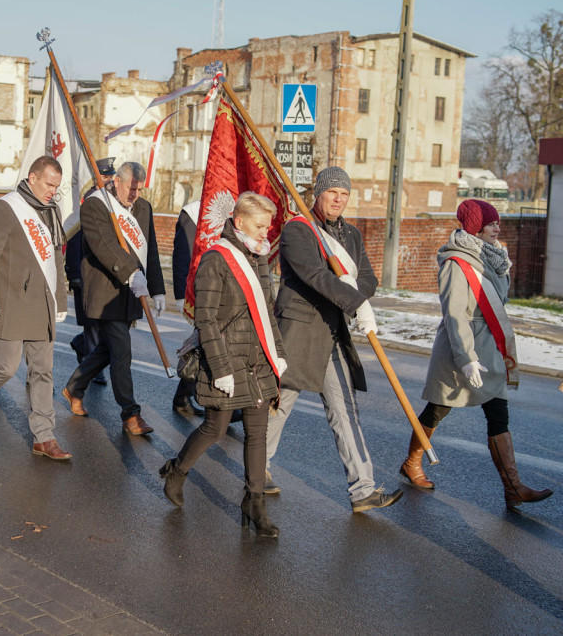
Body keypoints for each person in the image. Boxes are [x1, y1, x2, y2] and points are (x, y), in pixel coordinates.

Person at [265, 167, 402, 513]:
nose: (339, 199)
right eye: (332, 192)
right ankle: (257, 467)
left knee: (345, 411)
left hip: (334, 332)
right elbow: (314, 275)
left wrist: (356, 290)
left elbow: (368, 278)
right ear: (318, 194)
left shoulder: (351, 235)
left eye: (344, 194)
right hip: (301, 332)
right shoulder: (298, 230)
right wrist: (353, 299)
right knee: (281, 404)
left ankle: (363, 490)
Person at [399, 199, 553, 508]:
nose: (497, 228)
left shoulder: (492, 257)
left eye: (497, 223)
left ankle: (513, 487)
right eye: (491, 223)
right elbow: (455, 314)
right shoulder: (456, 262)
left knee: (498, 414)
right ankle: (412, 462)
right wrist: (467, 358)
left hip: (489, 347)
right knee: (438, 409)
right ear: (475, 227)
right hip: (459, 350)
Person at [160, 192, 286, 537]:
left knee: (257, 433)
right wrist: (220, 369)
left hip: (258, 360)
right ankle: (177, 471)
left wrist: (278, 353)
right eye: (260, 226)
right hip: (227, 360)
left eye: (268, 227)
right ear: (240, 222)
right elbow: (206, 320)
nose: (265, 233)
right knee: (215, 428)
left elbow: (268, 310)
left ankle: (254, 504)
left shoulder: (259, 257)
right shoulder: (216, 259)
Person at [0, 155, 71, 459]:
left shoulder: (51, 210)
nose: (53, 191)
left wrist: (60, 298)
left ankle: (44, 436)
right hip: (11, 302)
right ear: (32, 178)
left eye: (57, 186)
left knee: (42, 370)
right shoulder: (6, 207)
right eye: (49, 184)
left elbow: (55, 257)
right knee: (5, 368)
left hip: (42, 304)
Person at [60, 161, 165, 436]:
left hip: (132, 291)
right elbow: (104, 246)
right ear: (117, 181)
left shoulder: (143, 207)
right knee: (121, 350)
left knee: (107, 349)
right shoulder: (96, 205)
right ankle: (130, 414)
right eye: (131, 188)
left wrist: (158, 289)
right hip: (105, 291)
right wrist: (131, 273)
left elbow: (150, 249)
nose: (135, 195)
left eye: (139, 190)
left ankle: (73, 388)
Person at [65, 157, 116, 387]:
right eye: (105, 177)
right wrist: (73, 272)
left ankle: (80, 344)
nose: (109, 181)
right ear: (95, 178)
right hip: (85, 273)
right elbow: (74, 237)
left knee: (103, 322)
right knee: (93, 323)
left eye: (111, 177)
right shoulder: (86, 203)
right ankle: (94, 369)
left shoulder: (111, 202)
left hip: (105, 274)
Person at [170, 198, 204, 416]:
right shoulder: (193, 212)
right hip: (203, 291)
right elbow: (184, 255)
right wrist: (182, 294)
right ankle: (183, 395)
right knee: (202, 347)